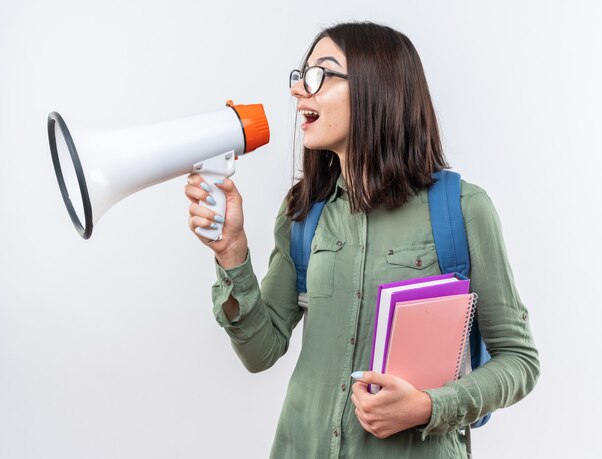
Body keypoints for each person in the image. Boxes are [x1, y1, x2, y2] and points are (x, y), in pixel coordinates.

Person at [185, 21, 539, 459]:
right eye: (300, 76)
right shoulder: (305, 209)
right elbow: (261, 350)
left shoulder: (464, 209)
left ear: (378, 88)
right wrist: (231, 253)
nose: (299, 91)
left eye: (320, 74)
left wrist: (429, 406)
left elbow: (520, 361)